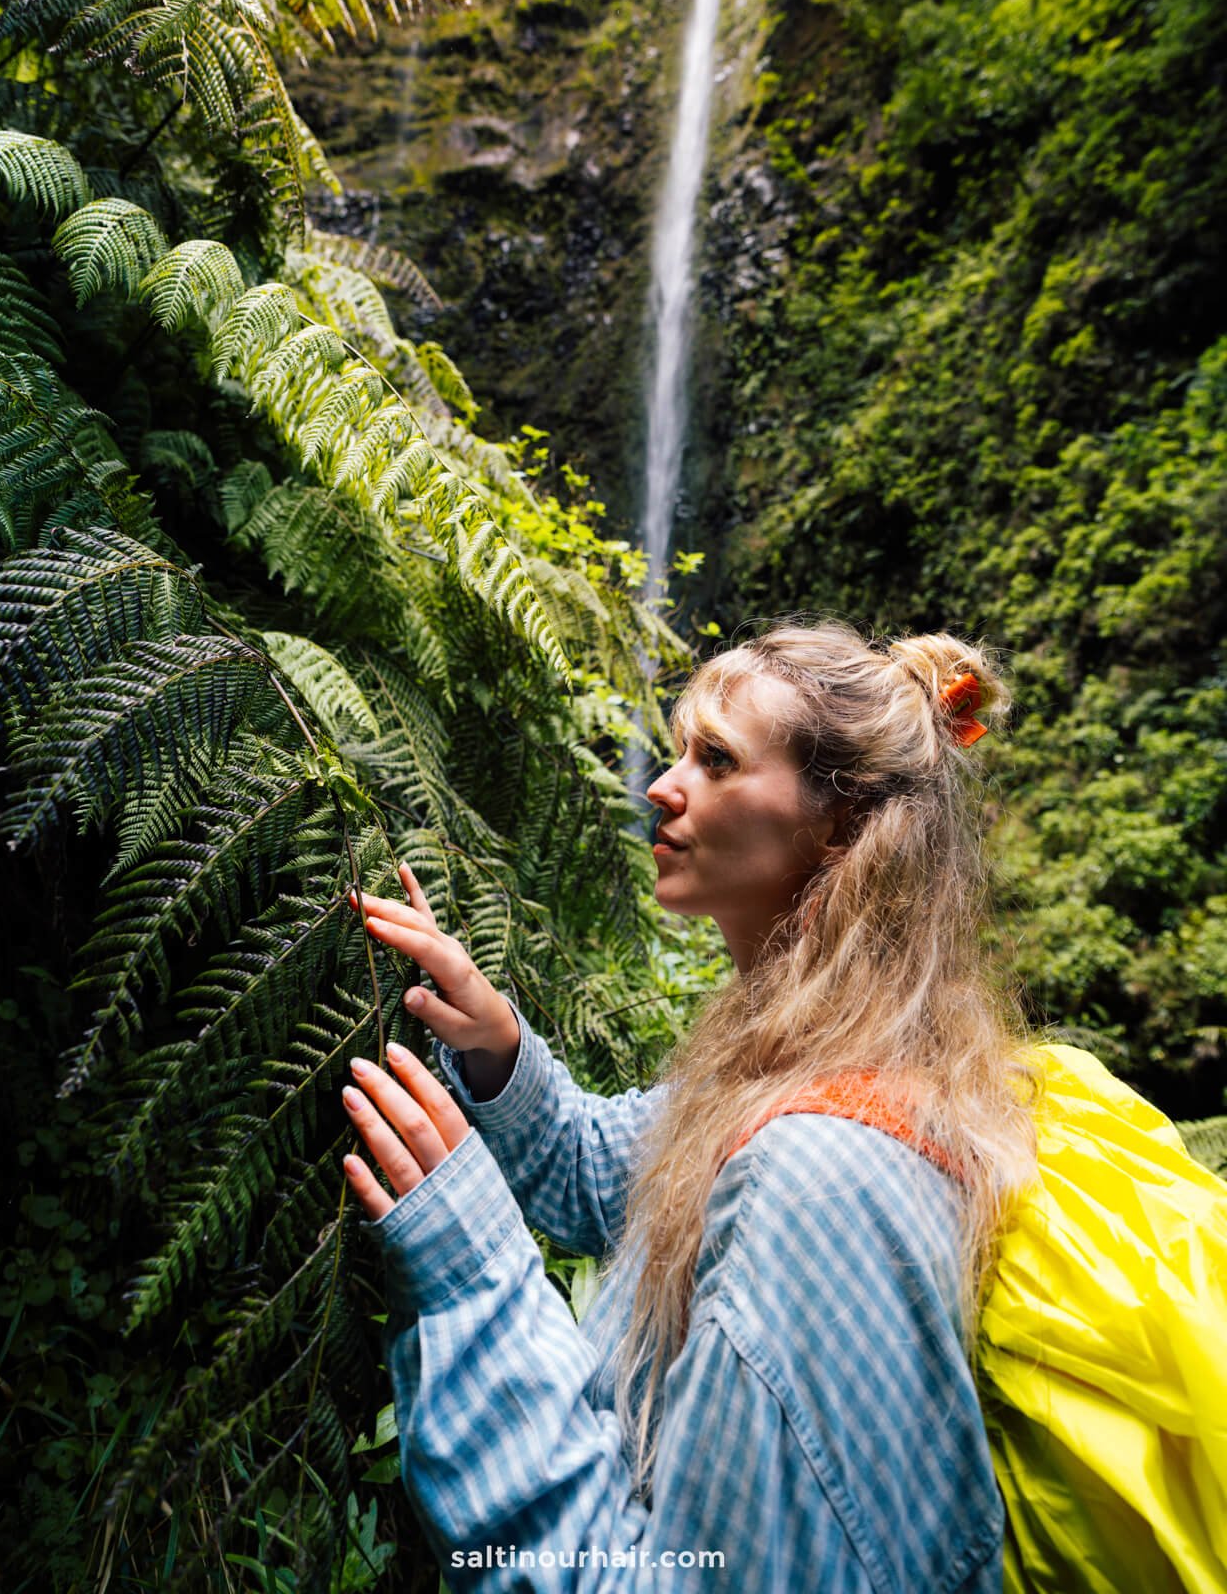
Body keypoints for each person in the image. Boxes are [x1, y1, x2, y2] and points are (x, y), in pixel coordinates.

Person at [340, 622, 1039, 1591]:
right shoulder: (811, 1063)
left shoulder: (822, 1174)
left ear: (838, 826)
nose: (660, 787)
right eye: (677, 751)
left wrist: (469, 1279)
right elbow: (609, 1175)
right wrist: (494, 1045)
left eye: (714, 759)